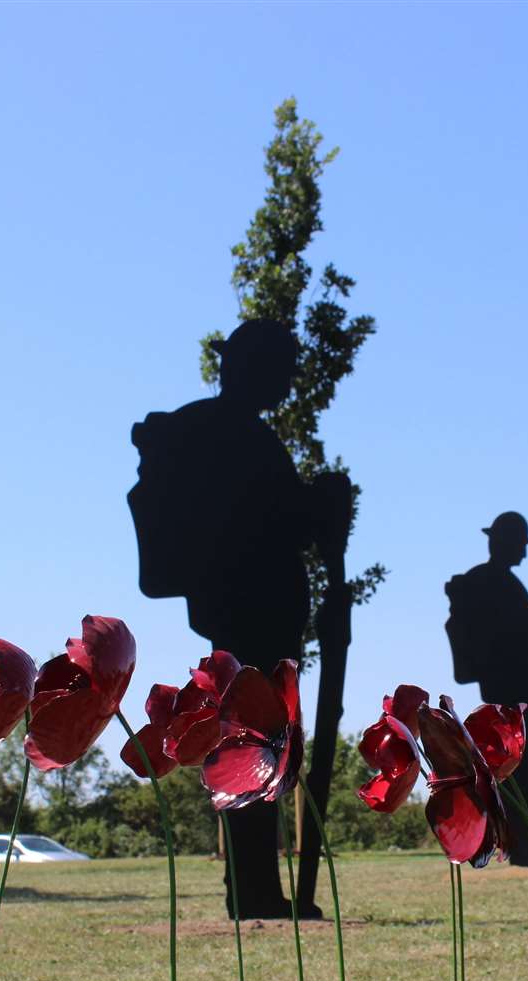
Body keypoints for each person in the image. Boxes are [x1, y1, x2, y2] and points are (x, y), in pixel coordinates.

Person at [129, 318, 337, 918]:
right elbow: (261, 524)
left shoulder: (231, 433)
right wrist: (315, 508)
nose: (288, 384)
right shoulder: (229, 436)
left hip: (253, 614)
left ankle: (257, 890)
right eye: (281, 371)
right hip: (252, 614)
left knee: (261, 747)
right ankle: (254, 893)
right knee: (254, 747)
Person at [445, 511, 528, 866]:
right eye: (520, 545)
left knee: (519, 768)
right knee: (514, 769)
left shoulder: (501, 582)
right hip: (512, 687)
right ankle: (517, 846)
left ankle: (517, 844)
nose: (523, 554)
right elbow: (513, 635)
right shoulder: (492, 583)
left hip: (517, 685)